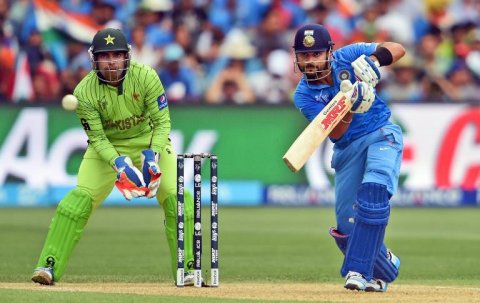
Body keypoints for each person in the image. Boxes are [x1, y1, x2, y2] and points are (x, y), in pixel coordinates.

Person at [31, 28, 196, 286]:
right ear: (94, 59)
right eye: (104, 56)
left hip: (149, 141)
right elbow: (96, 138)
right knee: (76, 202)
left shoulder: (147, 77)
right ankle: (48, 266)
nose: (111, 61)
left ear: (126, 56)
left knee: (178, 199)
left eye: (117, 55)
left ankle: (188, 268)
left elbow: (163, 122)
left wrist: (152, 156)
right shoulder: (85, 91)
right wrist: (118, 163)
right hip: (107, 147)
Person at [291, 24, 405, 292]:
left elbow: (398, 49)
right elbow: (338, 131)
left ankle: (357, 271)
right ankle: (385, 267)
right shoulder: (304, 95)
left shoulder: (347, 56)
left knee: (374, 192)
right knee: (347, 231)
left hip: (381, 133)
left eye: (316, 54)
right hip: (347, 147)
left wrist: (374, 61)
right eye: (304, 56)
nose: (310, 61)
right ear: (296, 57)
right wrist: (351, 104)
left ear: (329, 52)